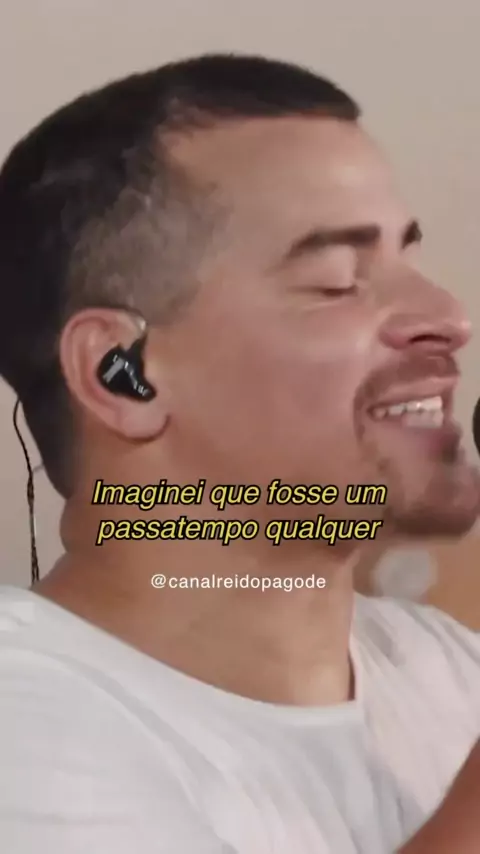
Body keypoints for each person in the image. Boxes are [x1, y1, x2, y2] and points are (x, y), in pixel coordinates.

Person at [0, 52, 479, 854]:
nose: (448, 317)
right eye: (337, 279)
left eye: (409, 258)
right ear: (124, 375)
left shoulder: (452, 674)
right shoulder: (24, 728)